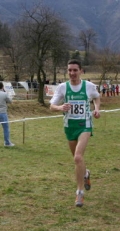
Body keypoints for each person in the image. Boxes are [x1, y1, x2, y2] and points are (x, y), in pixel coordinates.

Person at [50, 59, 101, 207]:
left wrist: (96, 109)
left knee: (78, 157)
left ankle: (79, 193)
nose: (72, 73)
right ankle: (85, 174)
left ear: (81, 71)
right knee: (77, 159)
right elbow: (52, 106)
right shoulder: (62, 88)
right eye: (69, 70)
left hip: (84, 125)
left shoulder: (89, 86)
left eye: (75, 70)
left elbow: (97, 97)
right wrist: (60, 108)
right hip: (69, 126)